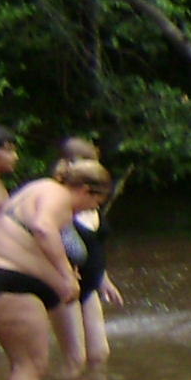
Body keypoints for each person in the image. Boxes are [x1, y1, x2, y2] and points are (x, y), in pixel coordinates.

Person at [0, 159, 103, 380]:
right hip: (9, 282)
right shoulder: (56, 194)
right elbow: (43, 227)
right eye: (95, 202)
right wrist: (67, 276)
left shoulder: (31, 191)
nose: (91, 209)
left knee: (29, 366)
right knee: (29, 368)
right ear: (85, 190)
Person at [50, 141, 121, 368]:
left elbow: (96, 247)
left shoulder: (92, 203)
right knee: (76, 359)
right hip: (68, 287)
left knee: (100, 355)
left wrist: (104, 280)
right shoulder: (59, 203)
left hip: (90, 286)